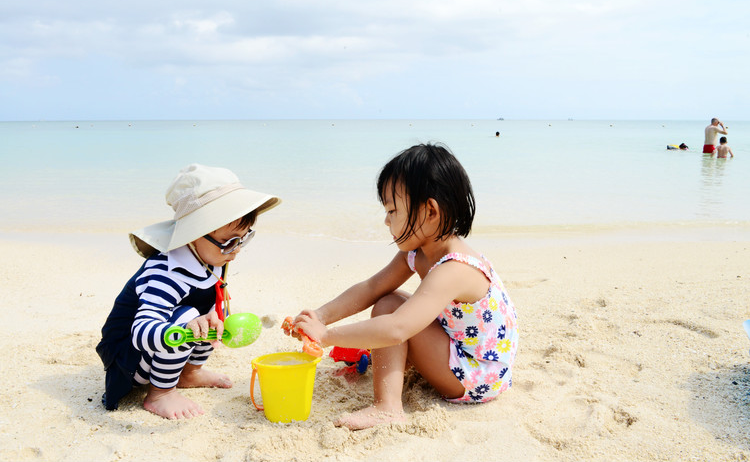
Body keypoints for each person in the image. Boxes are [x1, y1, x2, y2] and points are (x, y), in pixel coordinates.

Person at [288, 143, 519, 430]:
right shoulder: (418, 251)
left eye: (392, 210)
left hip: (478, 375)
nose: (386, 220)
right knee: (388, 299)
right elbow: (372, 286)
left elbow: (398, 327)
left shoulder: (454, 268)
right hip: (458, 347)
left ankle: (387, 408)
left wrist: (326, 336)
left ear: (430, 211)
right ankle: (388, 376)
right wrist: (320, 316)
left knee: (391, 311)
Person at [96, 164, 280, 419]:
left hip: (158, 351)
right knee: (189, 317)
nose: (236, 249)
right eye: (229, 242)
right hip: (130, 357)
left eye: (244, 238)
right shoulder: (167, 272)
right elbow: (141, 333)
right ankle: (160, 393)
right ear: (193, 233)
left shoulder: (212, 258)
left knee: (207, 317)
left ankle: (188, 372)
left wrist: (211, 317)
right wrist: (188, 325)